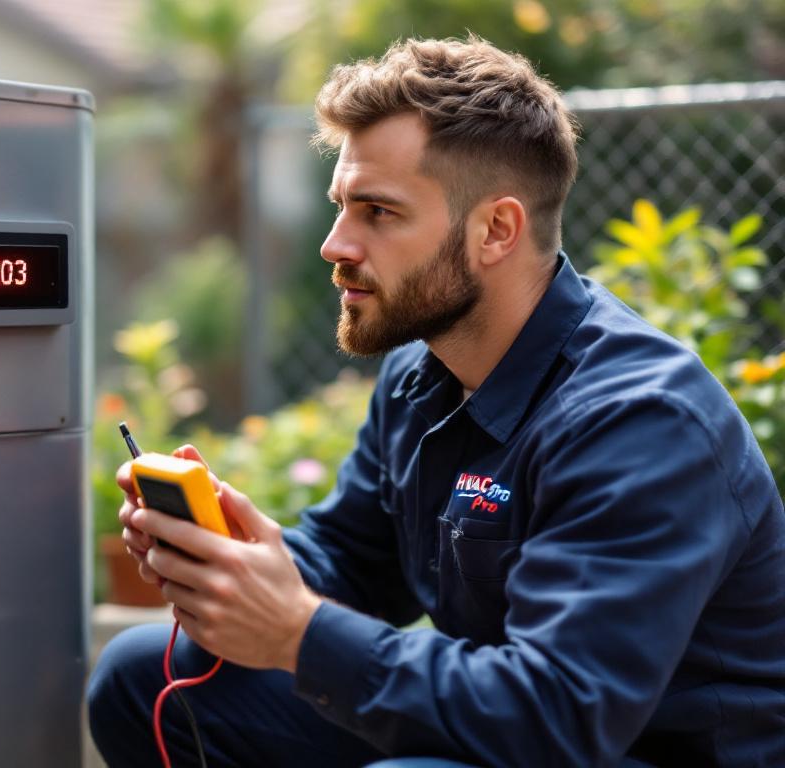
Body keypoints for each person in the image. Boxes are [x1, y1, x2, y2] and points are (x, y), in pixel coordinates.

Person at [87, 36, 785, 768]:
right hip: (514, 726)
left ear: (496, 230)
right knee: (144, 675)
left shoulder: (639, 420)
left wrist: (298, 632)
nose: (334, 244)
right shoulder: (422, 374)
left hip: (632, 747)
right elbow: (353, 564)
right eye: (341, 207)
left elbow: (557, 715)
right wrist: (231, 555)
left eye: (378, 213)